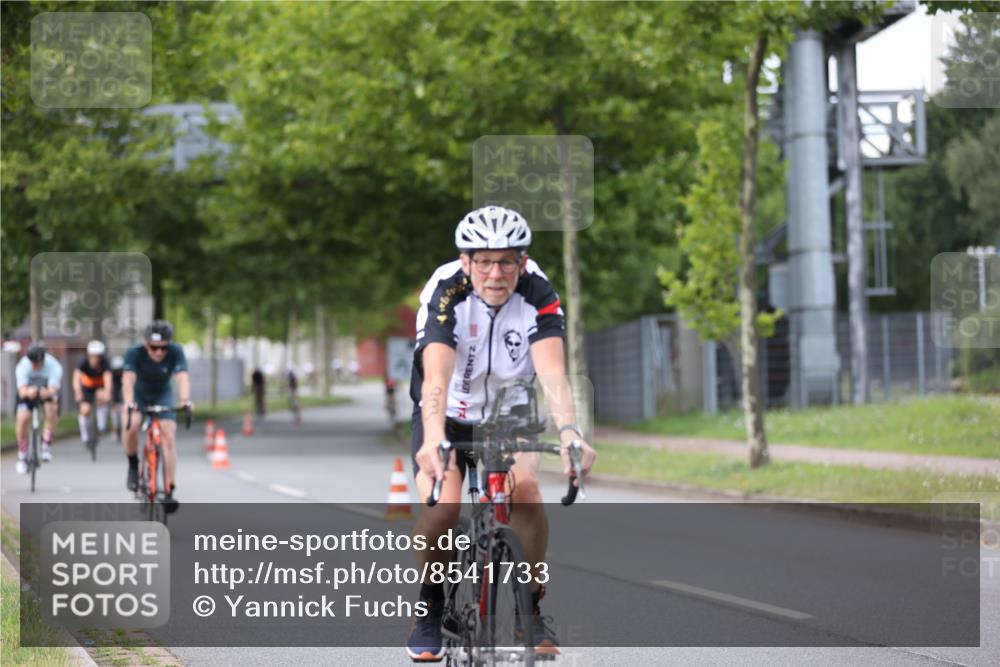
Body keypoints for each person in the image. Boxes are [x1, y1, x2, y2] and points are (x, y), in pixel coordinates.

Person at [406, 206, 597, 662]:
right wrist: (434, 437)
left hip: (508, 414)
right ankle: (430, 608)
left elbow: (552, 373)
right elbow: (436, 375)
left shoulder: (538, 292)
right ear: (466, 260)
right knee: (442, 506)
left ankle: (530, 612)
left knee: (527, 490)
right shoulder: (445, 289)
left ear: (523, 262)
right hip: (446, 411)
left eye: (507, 261)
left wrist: (571, 431)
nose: (496, 273)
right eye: (484, 261)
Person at [122, 320, 192, 512]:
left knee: (168, 433)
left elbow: (182, 377)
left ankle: (169, 488)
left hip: (162, 394)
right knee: (132, 424)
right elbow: (128, 380)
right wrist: (129, 402)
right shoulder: (134, 353)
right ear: (146, 344)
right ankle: (133, 465)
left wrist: (185, 399)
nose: (159, 352)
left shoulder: (176, 351)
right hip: (139, 394)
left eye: (163, 348)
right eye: (154, 348)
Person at [14, 343, 63, 474]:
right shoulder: (23, 366)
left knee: (52, 408)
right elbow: (21, 391)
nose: (33, 366)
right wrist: (29, 392)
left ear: (43, 360)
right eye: (32, 363)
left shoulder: (54, 366)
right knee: (23, 418)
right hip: (28, 393)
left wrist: (44, 392)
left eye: (36, 363)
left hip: (46, 391)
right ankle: (22, 455)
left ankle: (46, 444)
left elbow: (53, 391)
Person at [73, 340, 112, 450]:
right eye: (93, 356)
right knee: (85, 410)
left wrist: (107, 392)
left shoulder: (105, 362)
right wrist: (78, 392)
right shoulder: (83, 361)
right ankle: (85, 435)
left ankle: (101, 425)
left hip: (100, 385)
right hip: (87, 387)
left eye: (98, 356)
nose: (95, 359)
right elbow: (76, 378)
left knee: (102, 397)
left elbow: (108, 377)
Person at [110, 355, 125, 442]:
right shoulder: (112, 377)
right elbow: (111, 389)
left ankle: (123, 432)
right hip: (115, 400)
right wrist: (113, 402)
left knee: (123, 417)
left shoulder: (124, 375)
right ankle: (115, 430)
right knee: (115, 417)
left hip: (123, 400)